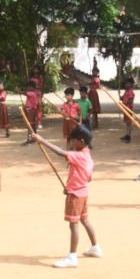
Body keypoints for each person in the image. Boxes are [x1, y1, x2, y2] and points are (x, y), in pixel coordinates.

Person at [32, 126, 101, 269]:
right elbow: (88, 178)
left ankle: (72, 257)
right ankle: (95, 247)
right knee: (84, 220)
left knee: (73, 224)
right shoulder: (88, 156)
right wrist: (71, 185)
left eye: (73, 141)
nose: (71, 144)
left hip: (75, 195)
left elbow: (60, 153)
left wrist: (41, 140)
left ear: (81, 141)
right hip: (83, 192)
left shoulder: (79, 155)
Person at [23, 80, 40, 144]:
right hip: (32, 110)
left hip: (31, 110)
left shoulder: (31, 93)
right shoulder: (34, 92)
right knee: (33, 124)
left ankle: (30, 138)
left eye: (28, 87)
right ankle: (34, 137)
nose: (27, 88)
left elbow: (24, 92)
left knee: (29, 124)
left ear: (32, 87)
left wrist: (18, 90)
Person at [119, 78, 135, 142]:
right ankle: (127, 135)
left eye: (127, 83)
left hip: (128, 109)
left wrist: (125, 104)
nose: (126, 85)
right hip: (125, 109)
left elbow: (130, 100)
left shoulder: (130, 92)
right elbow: (122, 98)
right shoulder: (126, 91)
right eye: (125, 83)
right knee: (127, 123)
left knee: (129, 123)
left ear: (131, 84)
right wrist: (120, 95)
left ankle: (129, 137)